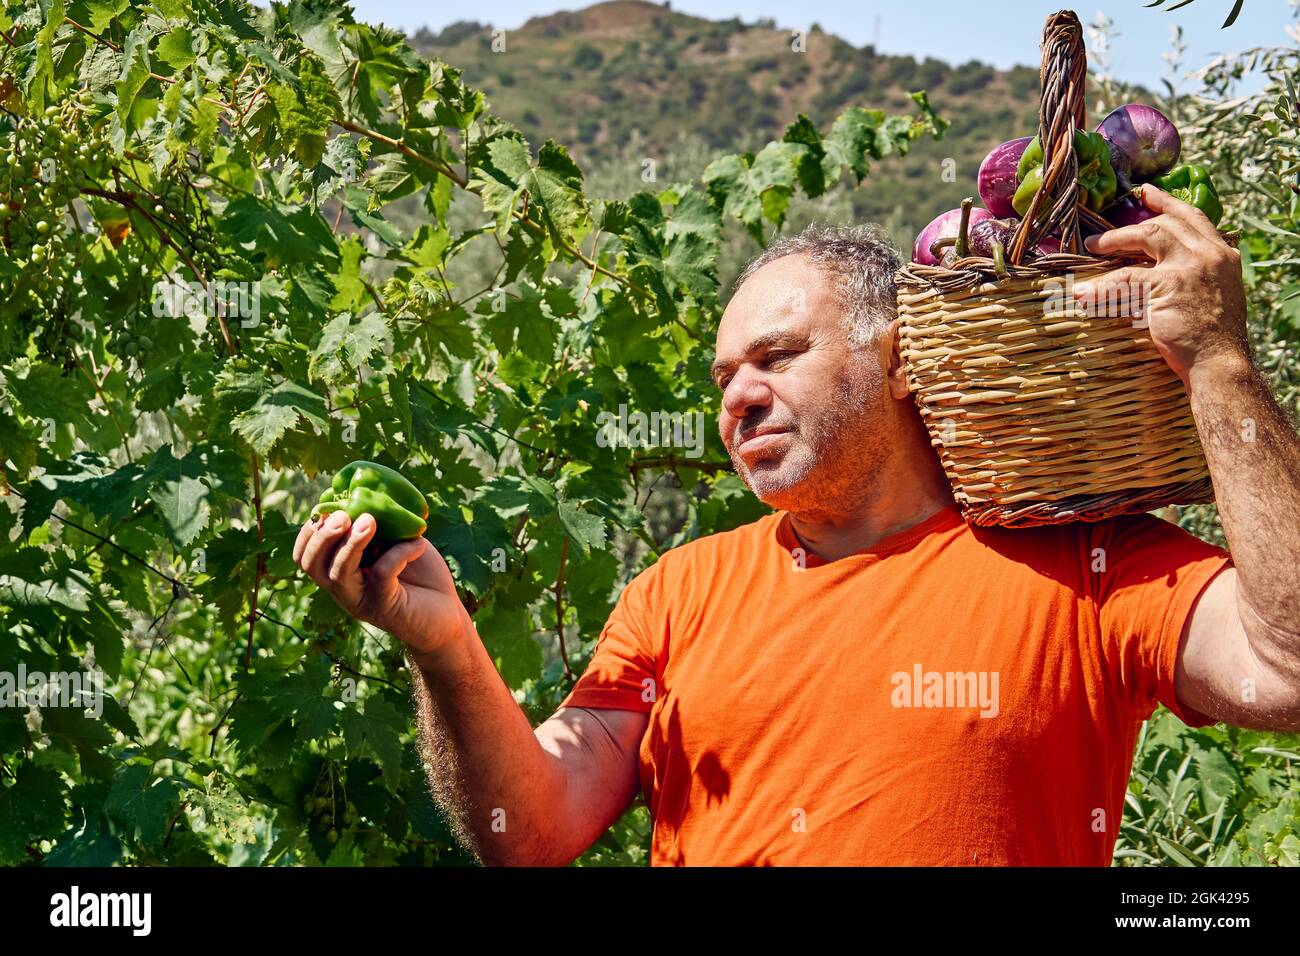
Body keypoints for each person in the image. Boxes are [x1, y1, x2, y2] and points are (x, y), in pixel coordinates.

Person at [293, 184, 1300, 865]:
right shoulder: (679, 590)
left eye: (776, 356)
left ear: (900, 359)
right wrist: (444, 644)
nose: (741, 397)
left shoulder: (1087, 564)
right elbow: (531, 826)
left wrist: (1215, 362)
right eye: (725, 378)